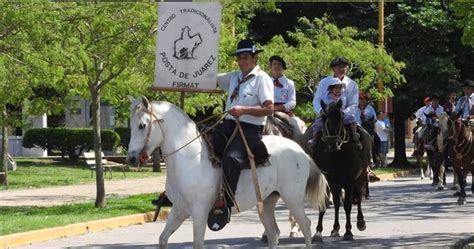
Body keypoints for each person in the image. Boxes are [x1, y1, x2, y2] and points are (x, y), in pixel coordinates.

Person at [215, 39, 274, 220]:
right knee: (203, 144)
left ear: (255, 58)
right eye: (239, 58)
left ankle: (226, 203)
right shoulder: (234, 77)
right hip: (228, 124)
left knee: (232, 158)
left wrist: (243, 110)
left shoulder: (262, 79)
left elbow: (269, 108)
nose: (242, 61)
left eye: (246, 57)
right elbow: (210, 78)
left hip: (249, 128)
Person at [312, 57, 361, 144]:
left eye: (343, 66)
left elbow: (354, 104)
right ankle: (312, 141)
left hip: (345, 115)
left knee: (366, 137)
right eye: (338, 67)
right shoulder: (323, 82)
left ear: (347, 68)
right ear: (333, 68)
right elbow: (317, 100)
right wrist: (321, 111)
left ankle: (358, 141)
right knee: (306, 135)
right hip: (326, 115)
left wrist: (343, 113)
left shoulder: (352, 84)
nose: (341, 69)